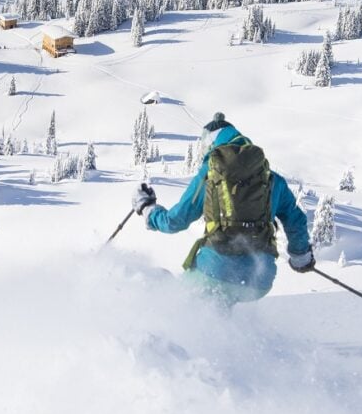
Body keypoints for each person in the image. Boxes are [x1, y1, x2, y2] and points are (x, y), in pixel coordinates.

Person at [132, 112, 315, 306]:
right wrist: (300, 256)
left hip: (215, 271)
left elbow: (175, 221)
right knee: (219, 309)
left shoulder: (210, 176)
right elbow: (295, 219)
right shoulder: (271, 178)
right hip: (259, 280)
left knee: (174, 299)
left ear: (212, 143)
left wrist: (148, 209)